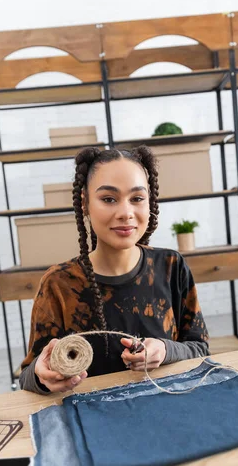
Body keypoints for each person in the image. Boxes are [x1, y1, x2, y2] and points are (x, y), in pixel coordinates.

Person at [19, 146, 209, 394]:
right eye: (109, 199)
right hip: (91, 423)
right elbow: (27, 377)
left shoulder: (171, 266)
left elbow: (200, 349)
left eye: (137, 199)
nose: (125, 213)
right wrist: (41, 376)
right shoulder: (58, 284)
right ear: (85, 203)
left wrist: (165, 350)